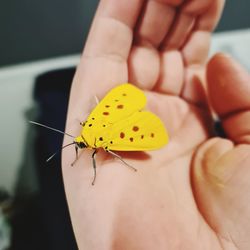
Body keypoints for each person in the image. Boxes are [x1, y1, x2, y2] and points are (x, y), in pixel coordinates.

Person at [62, 0, 250, 249]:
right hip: (118, 116)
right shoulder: (89, 133)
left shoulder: (94, 141)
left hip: (120, 124)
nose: (78, 143)